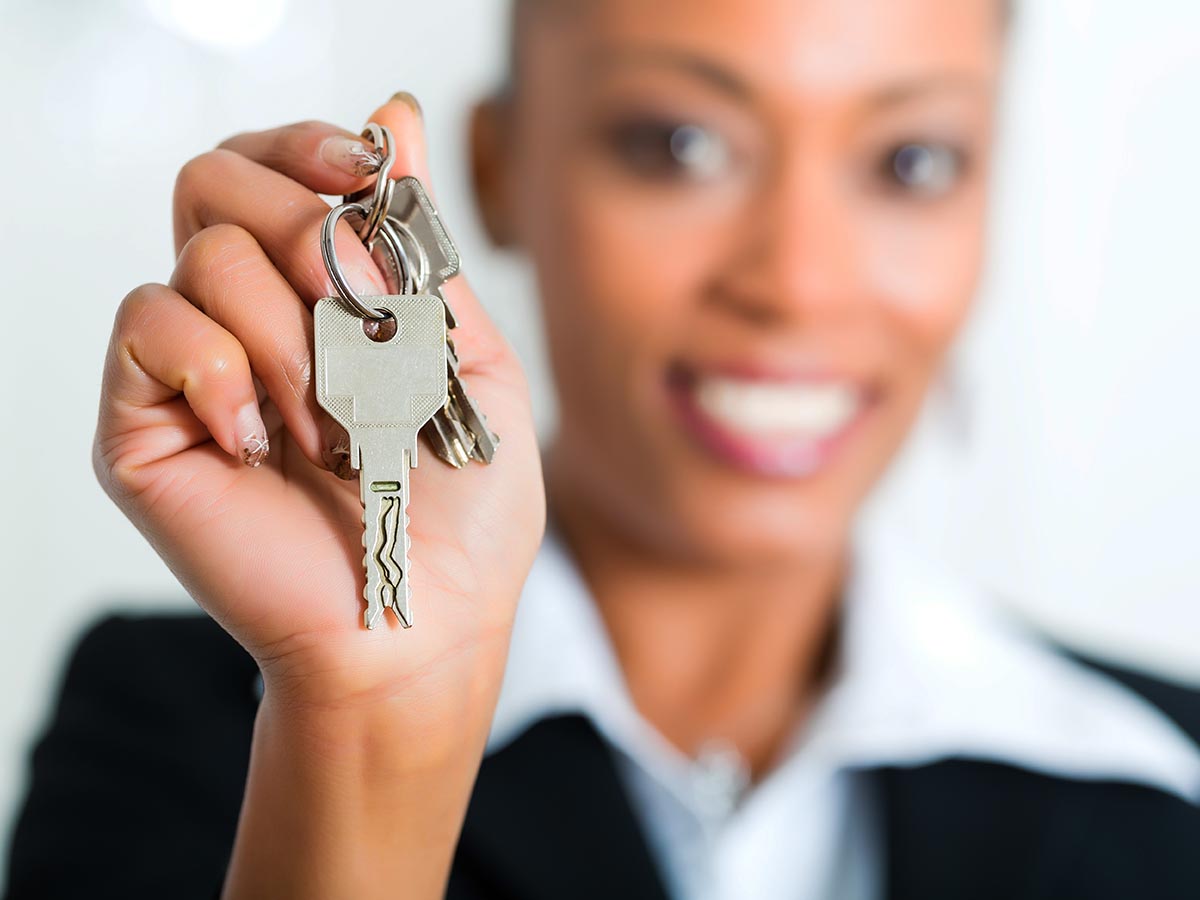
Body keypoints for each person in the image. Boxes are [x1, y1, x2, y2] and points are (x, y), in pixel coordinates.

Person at [6, 1, 1200, 898]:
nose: (797, 283)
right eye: (680, 143)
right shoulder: (187, 730)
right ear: (497, 171)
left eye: (911, 162)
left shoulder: (1170, 787)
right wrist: (369, 727)